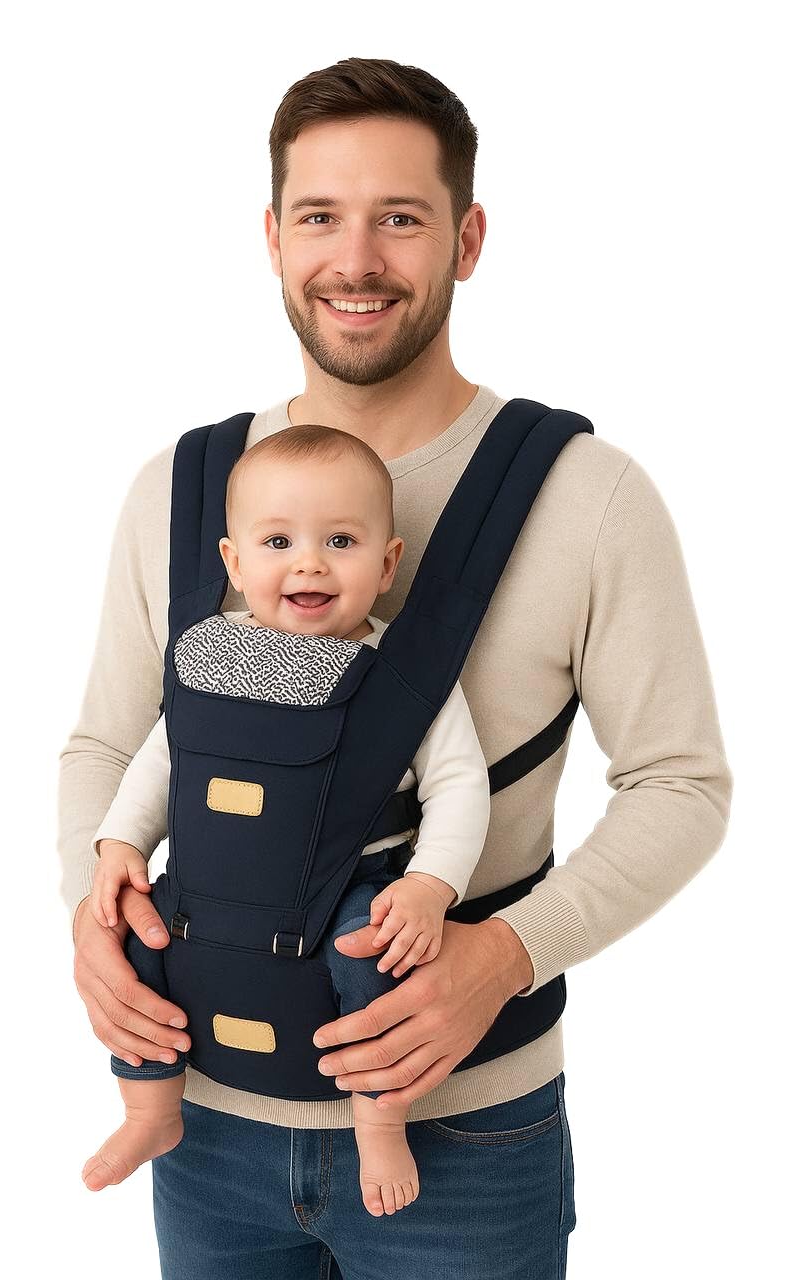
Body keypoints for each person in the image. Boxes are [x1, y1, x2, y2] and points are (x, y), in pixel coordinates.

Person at [60, 57, 732, 1278]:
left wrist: (504, 954)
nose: (356, 259)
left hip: (467, 1129)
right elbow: (111, 744)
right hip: (200, 1126)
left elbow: (680, 786)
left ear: (466, 239)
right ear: (273, 238)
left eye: (401, 218)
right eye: (320, 215)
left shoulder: (586, 496)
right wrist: (93, 911)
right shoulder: (181, 488)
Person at [81, 423, 493, 1217]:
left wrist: (429, 886)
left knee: (370, 965)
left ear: (387, 564)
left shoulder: (403, 675)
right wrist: (120, 843)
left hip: (347, 882)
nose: (308, 563)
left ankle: (379, 1124)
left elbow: (457, 786)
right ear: (233, 563)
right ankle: (150, 1110)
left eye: (340, 541)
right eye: (278, 541)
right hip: (207, 886)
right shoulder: (209, 654)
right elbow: (163, 759)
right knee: (135, 947)